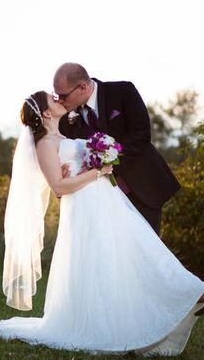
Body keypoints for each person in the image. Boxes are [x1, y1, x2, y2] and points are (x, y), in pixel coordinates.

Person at [0, 91, 204, 356]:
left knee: (142, 246)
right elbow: (58, 186)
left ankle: (194, 292)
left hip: (107, 200)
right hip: (85, 208)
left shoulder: (63, 136)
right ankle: (189, 296)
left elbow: (68, 175)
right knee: (104, 261)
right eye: (51, 98)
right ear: (46, 113)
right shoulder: (45, 143)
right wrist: (97, 171)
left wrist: (100, 159)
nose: (57, 97)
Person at [54, 62, 177, 234]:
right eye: (56, 95)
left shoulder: (123, 92)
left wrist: (106, 155)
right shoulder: (65, 119)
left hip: (140, 188)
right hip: (101, 200)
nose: (59, 100)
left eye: (63, 96)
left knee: (146, 251)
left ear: (82, 87)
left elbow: (141, 134)